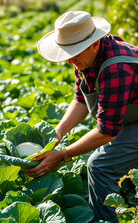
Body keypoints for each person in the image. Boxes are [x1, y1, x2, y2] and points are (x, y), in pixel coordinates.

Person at [26, 11, 138, 222]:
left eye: (74, 52)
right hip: (129, 118)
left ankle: (103, 220)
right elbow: (80, 99)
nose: (69, 60)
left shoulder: (116, 67)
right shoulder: (85, 59)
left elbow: (107, 131)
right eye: (67, 52)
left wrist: (63, 155)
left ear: (94, 44)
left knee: (99, 166)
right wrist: (57, 134)